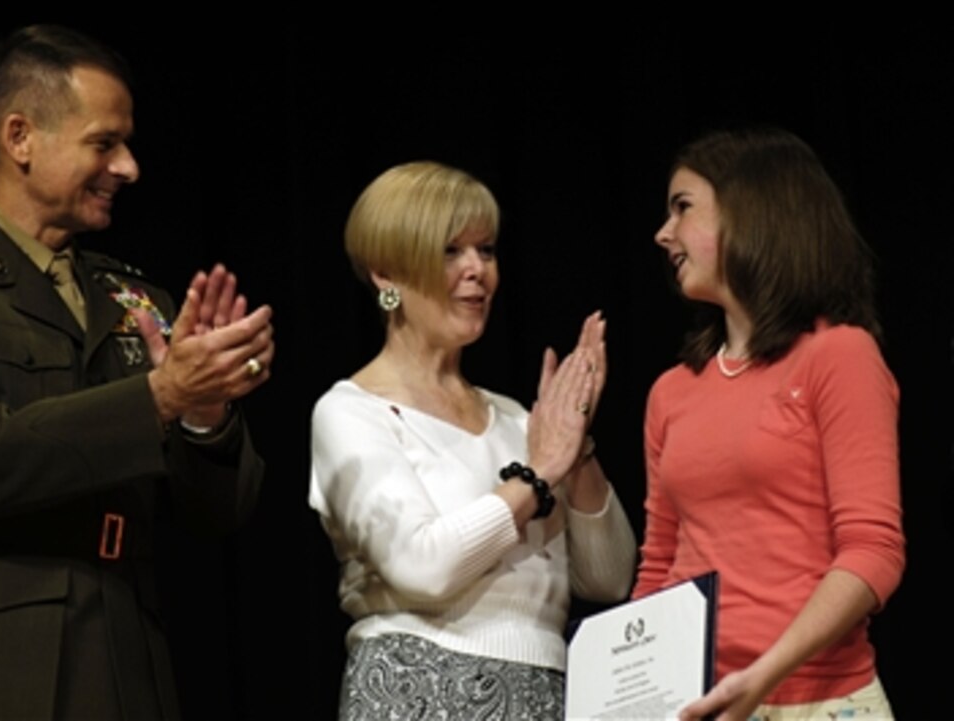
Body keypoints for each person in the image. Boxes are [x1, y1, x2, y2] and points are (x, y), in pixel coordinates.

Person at [0, 24, 273, 719]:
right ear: (20, 137)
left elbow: (217, 514)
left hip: (120, 653)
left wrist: (204, 411)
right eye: (104, 143)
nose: (129, 168)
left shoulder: (133, 299)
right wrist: (158, 396)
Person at [310, 161, 636, 720]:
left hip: (543, 693)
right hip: (418, 690)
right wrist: (535, 477)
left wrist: (575, 447)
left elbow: (607, 578)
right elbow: (423, 566)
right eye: (449, 252)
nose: (476, 271)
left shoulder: (514, 420)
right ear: (387, 273)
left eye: (485, 251)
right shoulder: (351, 412)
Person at [633, 128, 905, 720]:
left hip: (817, 701)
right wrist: (629, 696)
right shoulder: (671, 391)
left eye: (682, 207)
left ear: (752, 211)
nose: (663, 233)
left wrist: (764, 674)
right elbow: (658, 564)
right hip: (695, 703)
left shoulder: (839, 355)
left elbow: (873, 550)